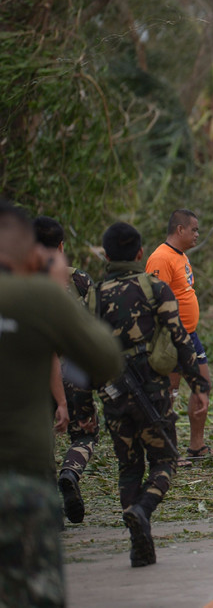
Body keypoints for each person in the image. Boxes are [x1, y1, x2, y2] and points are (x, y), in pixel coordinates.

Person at [0, 200, 122, 605]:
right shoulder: (39, 296)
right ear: (30, 250)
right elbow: (104, 357)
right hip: (21, 478)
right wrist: (54, 287)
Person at [93, 221, 209, 567]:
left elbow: (79, 350)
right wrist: (198, 383)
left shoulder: (93, 295)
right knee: (165, 460)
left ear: (107, 255)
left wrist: (81, 403)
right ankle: (143, 510)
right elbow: (179, 336)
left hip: (112, 393)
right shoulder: (154, 288)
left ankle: (137, 539)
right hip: (152, 392)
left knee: (128, 468)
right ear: (140, 254)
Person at [34, 216, 101, 523]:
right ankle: (71, 473)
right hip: (73, 370)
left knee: (40, 439)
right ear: (62, 246)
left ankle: (50, 512)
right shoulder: (79, 280)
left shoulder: (19, 281)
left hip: (32, 370)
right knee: (86, 433)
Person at [146, 209, 213, 461]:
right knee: (169, 392)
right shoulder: (160, 258)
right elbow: (154, 300)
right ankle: (164, 449)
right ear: (180, 230)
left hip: (190, 335)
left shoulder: (181, 256)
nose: (197, 234)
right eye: (194, 229)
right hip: (171, 337)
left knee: (202, 385)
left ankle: (197, 446)